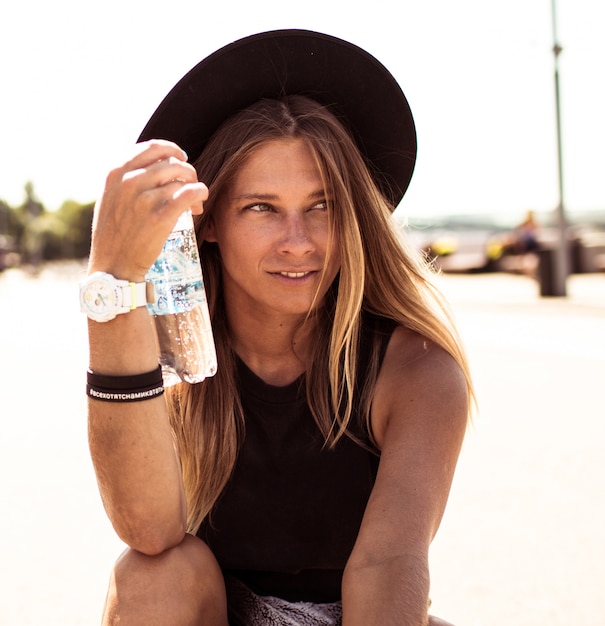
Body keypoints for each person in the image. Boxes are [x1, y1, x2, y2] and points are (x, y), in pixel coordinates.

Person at [81, 30, 473, 626]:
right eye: (262, 207)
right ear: (208, 224)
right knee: (151, 576)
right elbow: (149, 530)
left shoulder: (415, 368)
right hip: (213, 612)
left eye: (322, 206)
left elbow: (389, 563)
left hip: (365, 613)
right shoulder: (174, 353)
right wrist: (112, 287)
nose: (300, 241)